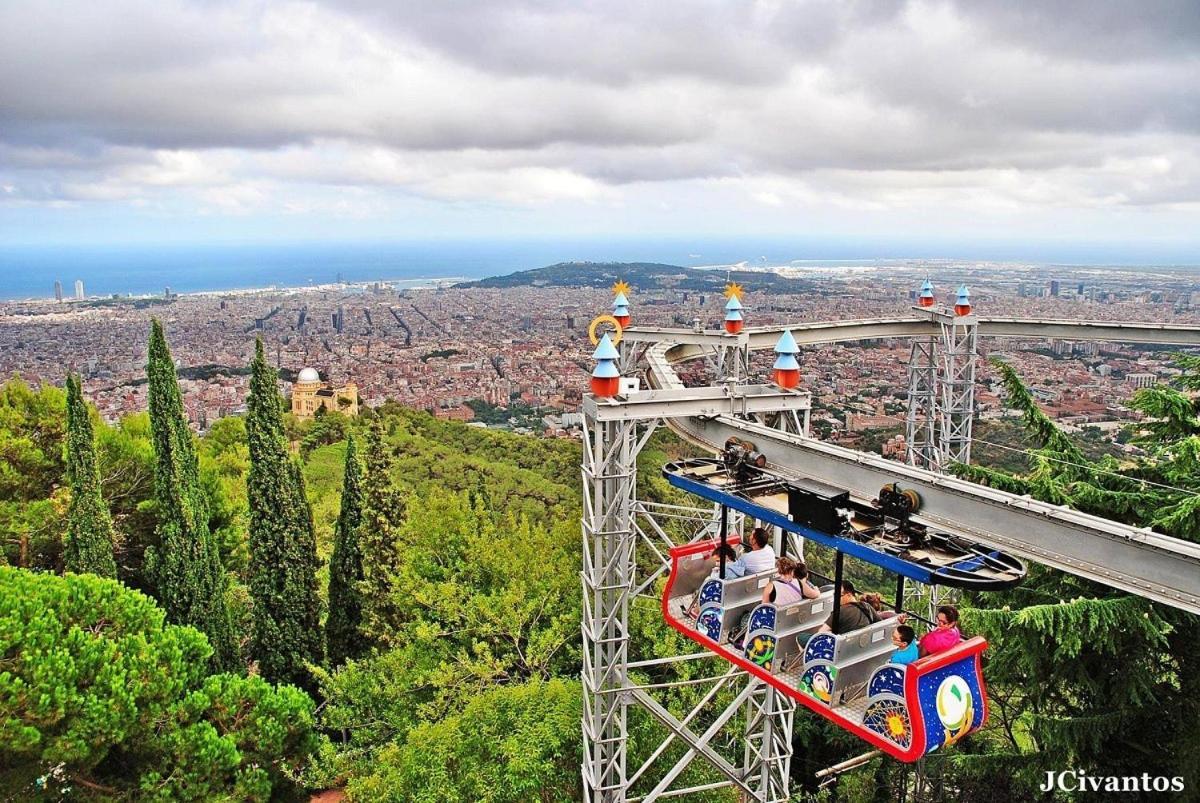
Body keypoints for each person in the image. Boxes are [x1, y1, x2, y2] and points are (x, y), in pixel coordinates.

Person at [707, 527, 775, 578]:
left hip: (748, 588)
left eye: (751, 535)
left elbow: (734, 565)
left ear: (754, 541)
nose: (749, 536)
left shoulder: (746, 558)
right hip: (764, 584)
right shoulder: (770, 550)